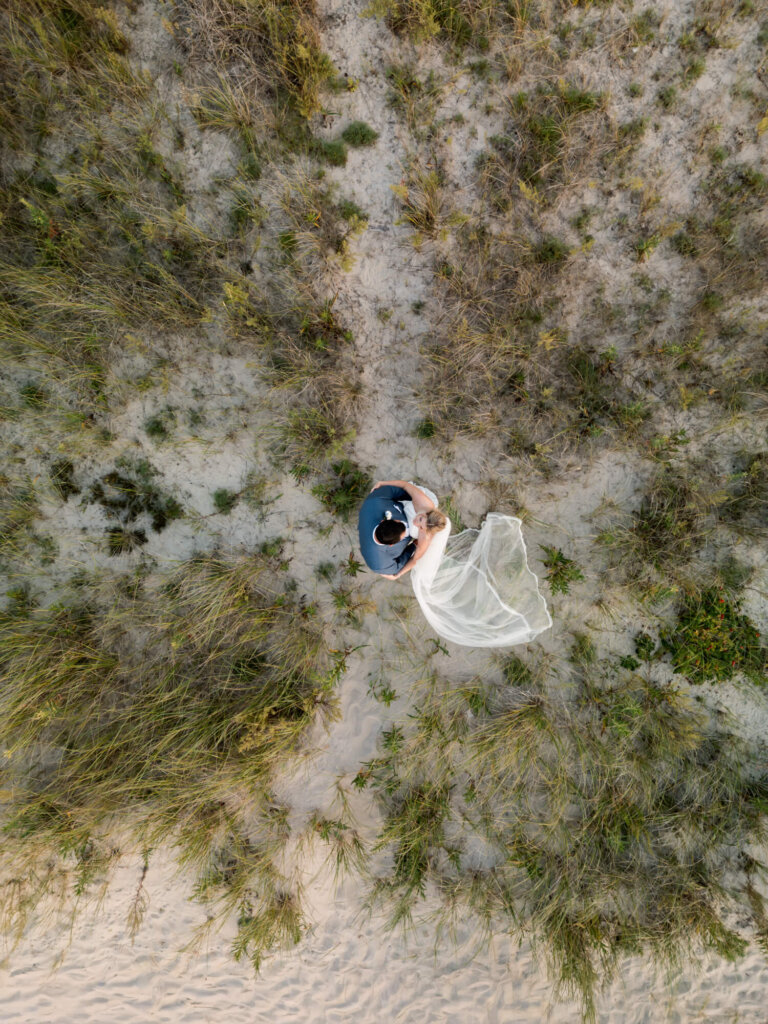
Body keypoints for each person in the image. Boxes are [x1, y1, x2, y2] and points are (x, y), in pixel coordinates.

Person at [358, 477, 552, 648]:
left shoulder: (382, 506)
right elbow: (410, 557)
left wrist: (405, 561)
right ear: (392, 542)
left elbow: (404, 490)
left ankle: (425, 520)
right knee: (430, 505)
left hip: (401, 517)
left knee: (430, 501)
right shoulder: (380, 558)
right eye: (406, 529)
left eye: (415, 523)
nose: (409, 525)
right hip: (408, 529)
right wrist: (417, 546)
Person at [357, 480, 446, 580]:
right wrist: (413, 546)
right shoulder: (380, 564)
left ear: (383, 521)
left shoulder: (375, 499)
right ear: (392, 544)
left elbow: (403, 488)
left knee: (428, 500)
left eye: (421, 527)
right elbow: (404, 564)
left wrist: (382, 483)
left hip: (416, 505)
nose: (415, 524)